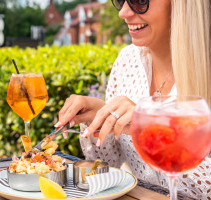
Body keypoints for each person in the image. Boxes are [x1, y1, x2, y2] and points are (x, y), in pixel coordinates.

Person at [55, 0, 210, 199]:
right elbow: (108, 164)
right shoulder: (127, 61)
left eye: (140, 1)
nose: (124, 13)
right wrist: (100, 121)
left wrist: (151, 130)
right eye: (121, 1)